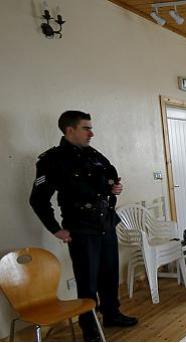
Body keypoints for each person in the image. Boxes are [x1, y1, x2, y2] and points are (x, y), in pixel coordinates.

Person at [30, 110, 137, 341]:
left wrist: (114, 189)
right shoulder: (52, 160)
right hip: (81, 229)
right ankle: (89, 328)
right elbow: (37, 199)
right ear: (70, 130)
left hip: (105, 224)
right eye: (86, 128)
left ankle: (111, 314)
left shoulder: (94, 155)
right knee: (87, 282)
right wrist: (55, 228)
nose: (92, 133)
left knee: (109, 276)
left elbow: (108, 180)